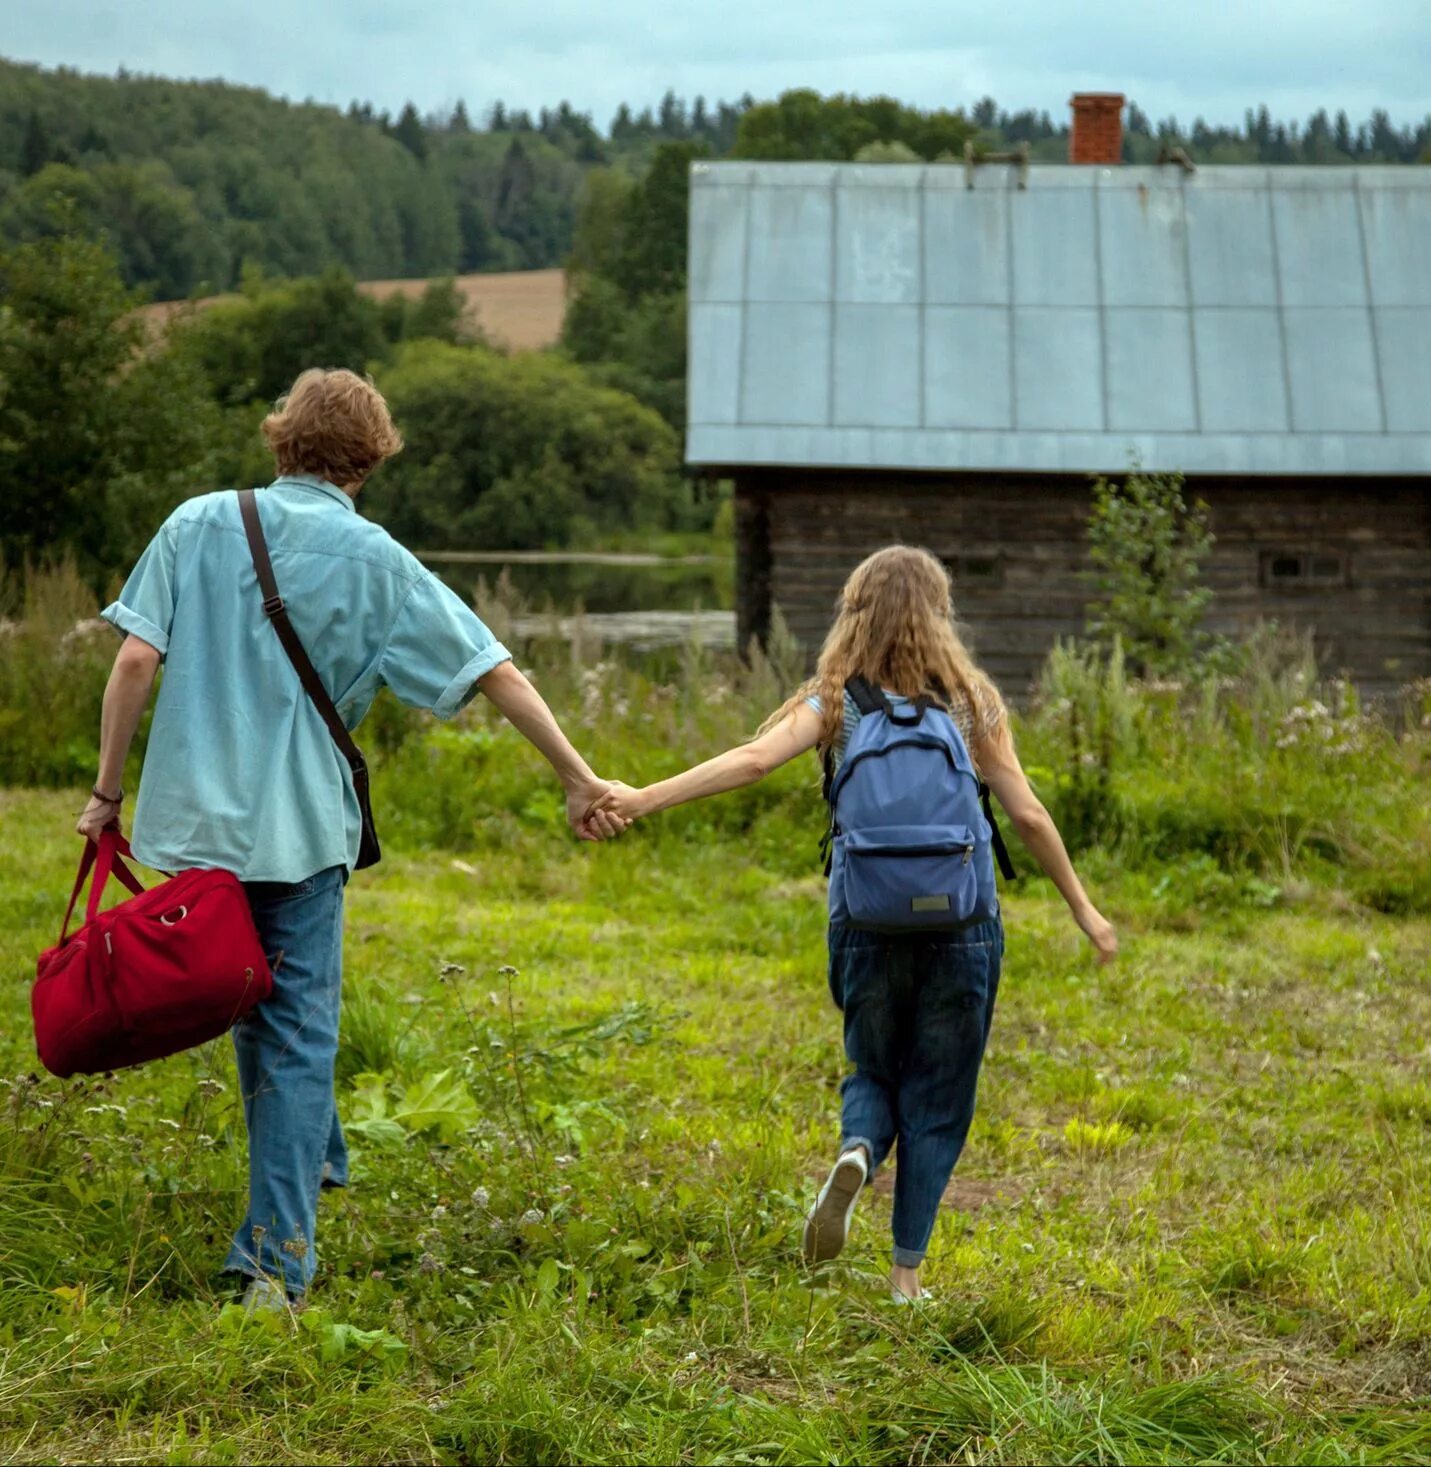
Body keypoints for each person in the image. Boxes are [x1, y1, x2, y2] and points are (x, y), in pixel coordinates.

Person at [75, 367, 624, 1312]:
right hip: (301, 831)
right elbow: (497, 670)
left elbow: (133, 659)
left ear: (281, 438)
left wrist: (106, 791)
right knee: (292, 1030)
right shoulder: (381, 561)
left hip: (199, 831)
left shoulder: (198, 522)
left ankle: (305, 1167)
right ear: (370, 461)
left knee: (252, 1002)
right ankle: (274, 1264)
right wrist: (578, 776)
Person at [591, 546, 1115, 1302]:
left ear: (853, 611)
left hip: (865, 919)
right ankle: (906, 1274)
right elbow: (1027, 814)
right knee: (940, 1092)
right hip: (962, 925)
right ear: (939, 614)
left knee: (872, 1065)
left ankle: (860, 1149)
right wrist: (1085, 909)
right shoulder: (974, 702)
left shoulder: (833, 698)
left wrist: (639, 797)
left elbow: (749, 761)